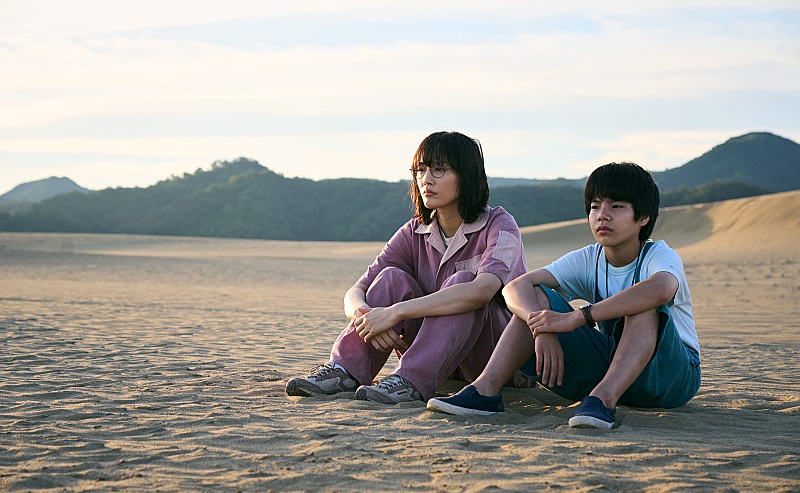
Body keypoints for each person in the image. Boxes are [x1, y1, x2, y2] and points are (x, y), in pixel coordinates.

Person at [427, 162, 701, 428]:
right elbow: (514, 287)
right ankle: (484, 391)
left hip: (671, 376)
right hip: (615, 367)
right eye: (595, 207)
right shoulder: (589, 258)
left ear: (643, 217)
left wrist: (577, 318)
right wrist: (542, 328)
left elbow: (661, 289)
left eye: (616, 207)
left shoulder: (659, 255)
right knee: (535, 295)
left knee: (643, 305)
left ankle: (603, 400)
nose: (602, 215)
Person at [285, 131, 527, 404]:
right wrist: (370, 317)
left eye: (439, 169)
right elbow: (355, 292)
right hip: (440, 363)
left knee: (463, 282)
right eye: (420, 170)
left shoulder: (500, 226)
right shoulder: (415, 231)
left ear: (467, 175)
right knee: (391, 278)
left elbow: (480, 292)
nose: (426, 179)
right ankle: (345, 371)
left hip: (491, 360)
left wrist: (394, 313)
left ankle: (410, 380)